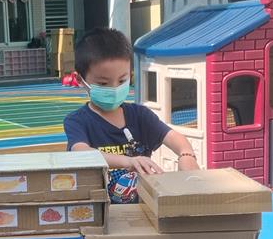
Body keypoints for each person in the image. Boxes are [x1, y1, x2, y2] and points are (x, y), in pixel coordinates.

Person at [64, 27, 199, 204]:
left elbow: (174, 137)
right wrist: (128, 161)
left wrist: (187, 155)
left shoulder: (140, 116)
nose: (114, 88)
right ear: (80, 80)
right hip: (99, 211)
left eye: (122, 80)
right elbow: (81, 152)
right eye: (103, 83)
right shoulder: (78, 121)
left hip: (143, 208)